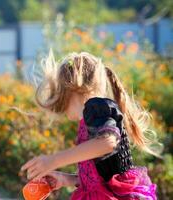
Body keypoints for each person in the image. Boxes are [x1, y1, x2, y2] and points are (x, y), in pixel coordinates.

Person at [21, 51, 159, 199]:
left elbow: (108, 143)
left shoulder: (96, 107)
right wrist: (67, 179)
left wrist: (53, 160)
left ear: (69, 90)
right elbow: (101, 176)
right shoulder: (89, 120)